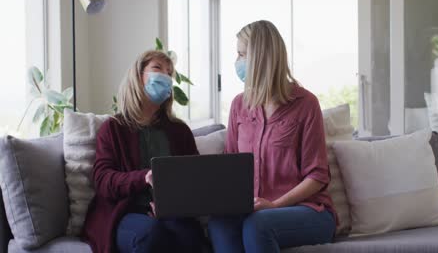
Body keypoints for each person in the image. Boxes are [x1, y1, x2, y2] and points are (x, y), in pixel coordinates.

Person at [208, 20, 337, 253]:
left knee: (258, 225)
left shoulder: (306, 104)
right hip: (253, 210)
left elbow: (317, 176)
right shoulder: (239, 105)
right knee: (219, 224)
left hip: (308, 211)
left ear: (260, 58)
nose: (237, 62)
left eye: (241, 54)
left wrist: (275, 205)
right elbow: (229, 166)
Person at [82, 50, 204, 253]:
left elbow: (196, 177)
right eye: (157, 69)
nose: (165, 76)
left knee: (189, 236)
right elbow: (103, 180)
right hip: (125, 213)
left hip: (171, 213)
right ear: (138, 77)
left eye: (169, 73)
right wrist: (144, 177)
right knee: (151, 235)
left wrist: (173, 207)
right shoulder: (113, 128)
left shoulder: (179, 131)